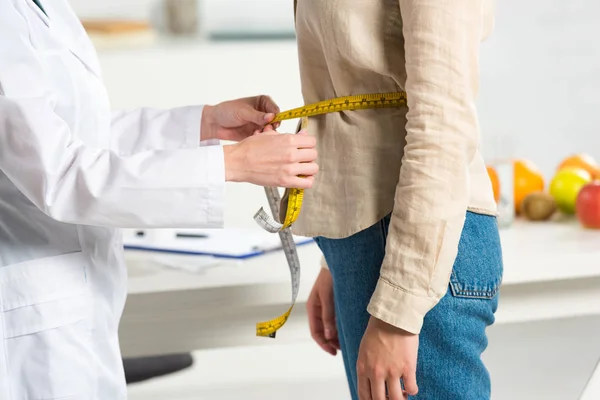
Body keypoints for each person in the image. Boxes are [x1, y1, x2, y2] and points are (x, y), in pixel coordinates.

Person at [0, 0, 318, 398]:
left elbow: (82, 135)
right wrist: (227, 165)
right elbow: (61, 176)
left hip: (77, 299)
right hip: (28, 318)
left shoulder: (42, 8)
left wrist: (202, 123)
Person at [293, 1, 502, 399]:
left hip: (420, 260)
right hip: (371, 244)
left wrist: (398, 311)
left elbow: (442, 123)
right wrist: (336, 261)